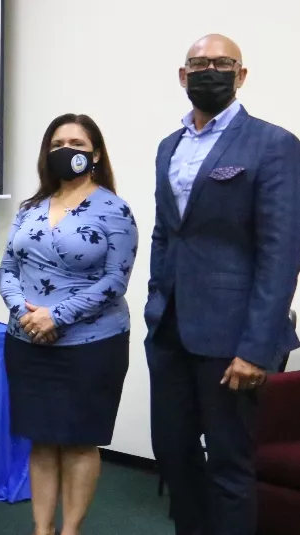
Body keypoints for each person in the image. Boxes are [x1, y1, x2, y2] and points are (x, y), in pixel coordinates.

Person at [147, 34, 300, 535]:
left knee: (231, 468)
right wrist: (153, 306)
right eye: (198, 63)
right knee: (174, 456)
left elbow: (281, 253)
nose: (208, 70)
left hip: (233, 338)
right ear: (181, 74)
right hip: (169, 331)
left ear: (241, 74)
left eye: (221, 62)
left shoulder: (273, 144)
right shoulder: (169, 146)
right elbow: (165, 233)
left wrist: (257, 348)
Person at [0, 114, 138, 535]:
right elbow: (7, 268)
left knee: (78, 440)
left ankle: (70, 529)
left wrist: (55, 316)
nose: (66, 150)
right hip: (27, 342)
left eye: (76, 142)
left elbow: (116, 280)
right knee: (42, 439)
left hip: (92, 344)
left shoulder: (114, 209)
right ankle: (42, 529)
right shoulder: (30, 209)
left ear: (94, 153)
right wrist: (25, 312)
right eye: (57, 143)